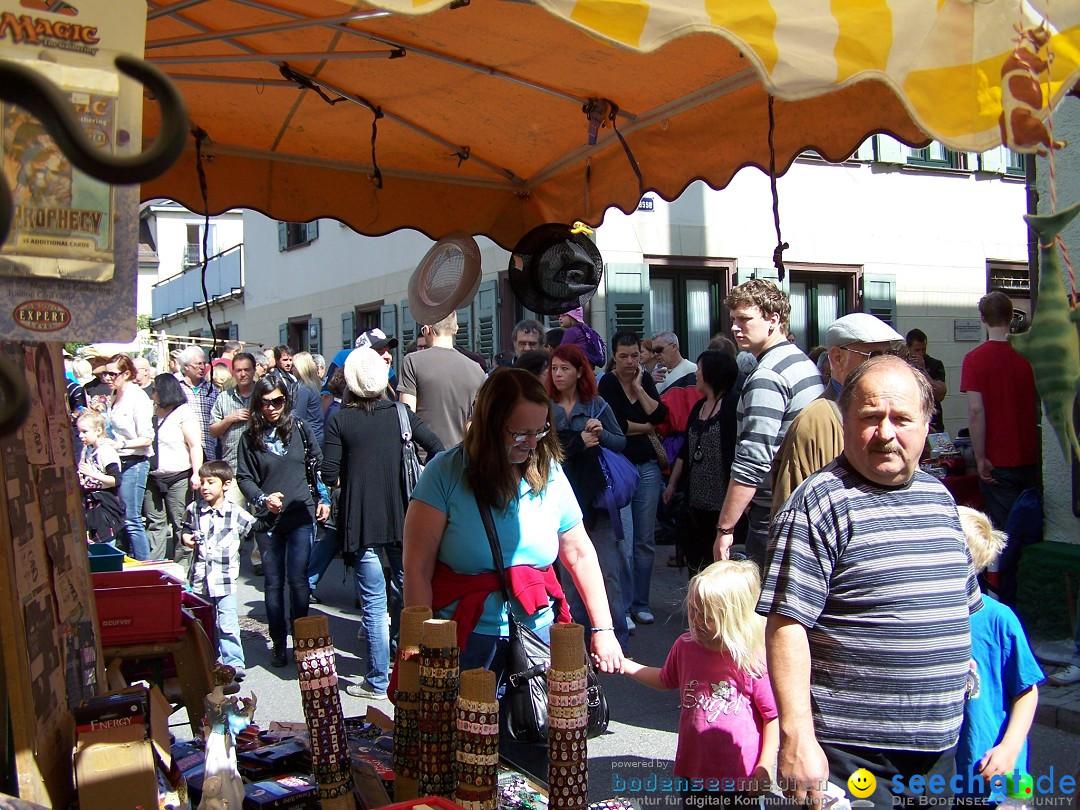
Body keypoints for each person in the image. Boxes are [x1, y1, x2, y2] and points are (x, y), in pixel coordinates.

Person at [758, 355, 982, 808]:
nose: (886, 433)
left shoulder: (940, 499)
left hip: (936, 749)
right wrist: (797, 736)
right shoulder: (819, 504)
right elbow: (786, 626)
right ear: (845, 420)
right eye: (870, 417)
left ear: (926, 424)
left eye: (901, 418)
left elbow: (961, 608)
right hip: (851, 753)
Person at [402, 367, 623, 713]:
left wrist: (604, 628)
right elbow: (417, 568)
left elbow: (579, 553)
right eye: (520, 433)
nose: (532, 443)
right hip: (463, 641)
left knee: (536, 750)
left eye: (540, 431)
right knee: (467, 753)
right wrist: (419, 645)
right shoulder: (444, 473)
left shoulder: (550, 471)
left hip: (537, 641)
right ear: (490, 424)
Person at [320, 348, 444, 699]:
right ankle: (415, 668)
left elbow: (329, 472)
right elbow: (436, 448)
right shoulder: (402, 413)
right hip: (405, 517)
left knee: (374, 604)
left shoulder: (341, 420)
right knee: (412, 597)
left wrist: (351, 476)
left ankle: (377, 680)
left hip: (362, 521)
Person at [621, 560, 778, 808]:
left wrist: (765, 766)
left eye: (707, 615)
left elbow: (772, 716)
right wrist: (627, 666)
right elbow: (666, 678)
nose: (696, 619)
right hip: (693, 771)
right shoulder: (685, 646)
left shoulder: (751, 659)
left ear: (734, 618)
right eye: (693, 609)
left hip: (741, 775)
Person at [713, 280, 822, 567]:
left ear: (773, 320)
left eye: (745, 319)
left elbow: (753, 460)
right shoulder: (800, 361)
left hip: (776, 510)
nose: (735, 327)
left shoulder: (768, 376)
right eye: (734, 319)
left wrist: (725, 529)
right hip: (802, 501)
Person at [237, 377, 331, 668]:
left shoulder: (300, 429)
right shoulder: (250, 437)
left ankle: (301, 640)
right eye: (265, 403)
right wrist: (263, 499)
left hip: (301, 512)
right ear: (257, 404)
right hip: (269, 521)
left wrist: (324, 499)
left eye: (277, 401)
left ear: (286, 401)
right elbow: (244, 478)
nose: (271, 408)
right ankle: (279, 643)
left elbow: (316, 464)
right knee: (274, 583)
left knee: (299, 581)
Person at [769, 313, 902, 517]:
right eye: (874, 355)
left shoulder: (893, 414)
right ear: (837, 358)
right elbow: (791, 513)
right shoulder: (815, 421)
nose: (883, 364)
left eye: (889, 354)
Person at [954, 506, 1043, 803]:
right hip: (946, 774)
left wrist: (1010, 748)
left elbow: (1026, 690)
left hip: (997, 771)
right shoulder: (921, 618)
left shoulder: (998, 619)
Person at [960, 291, 1039, 606]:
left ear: (983, 319)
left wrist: (980, 457)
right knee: (1030, 530)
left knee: (1001, 536)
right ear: (1011, 317)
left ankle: (1004, 600)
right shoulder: (1029, 356)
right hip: (1031, 456)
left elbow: (976, 411)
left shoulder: (975, 359)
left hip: (998, 458)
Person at [548, 344, 630, 645]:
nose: (557, 374)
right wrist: (579, 442)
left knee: (608, 573)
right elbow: (542, 451)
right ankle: (579, 642)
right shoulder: (545, 406)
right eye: (554, 368)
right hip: (562, 500)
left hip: (598, 500)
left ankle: (615, 639)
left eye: (564, 368)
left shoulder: (597, 404)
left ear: (580, 371)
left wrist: (601, 434)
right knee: (569, 578)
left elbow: (621, 443)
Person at [598, 331, 669, 625]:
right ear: (614, 356)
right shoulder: (608, 383)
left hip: (648, 466)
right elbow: (615, 425)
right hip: (619, 466)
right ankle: (624, 606)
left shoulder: (645, 379)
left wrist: (640, 389)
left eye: (635, 355)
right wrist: (646, 427)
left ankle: (641, 602)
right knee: (623, 539)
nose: (630, 362)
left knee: (645, 539)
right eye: (624, 356)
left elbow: (661, 415)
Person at [662, 350, 740, 576]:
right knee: (696, 564)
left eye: (699, 368)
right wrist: (672, 485)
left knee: (719, 567)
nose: (695, 373)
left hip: (722, 501)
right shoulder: (699, 407)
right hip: (695, 501)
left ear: (713, 373)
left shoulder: (733, 405)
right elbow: (685, 451)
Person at [183, 460, 256, 678]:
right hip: (200, 579)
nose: (205, 487)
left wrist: (271, 513)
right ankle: (207, 661)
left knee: (227, 622)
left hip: (225, 578)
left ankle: (234, 663)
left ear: (225, 485)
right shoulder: (194, 510)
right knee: (203, 624)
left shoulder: (235, 513)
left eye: (210, 482)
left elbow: (256, 526)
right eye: (203, 482)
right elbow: (185, 529)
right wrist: (186, 538)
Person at [398, 312, 487, 450]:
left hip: (423, 455)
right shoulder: (477, 370)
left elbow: (407, 416)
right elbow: (477, 422)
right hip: (459, 455)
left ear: (427, 329)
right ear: (456, 329)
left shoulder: (412, 361)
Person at [145, 373, 203, 565]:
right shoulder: (151, 412)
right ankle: (156, 567)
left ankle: (182, 569)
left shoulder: (184, 413)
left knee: (180, 523)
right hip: (152, 477)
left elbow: (195, 445)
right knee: (155, 523)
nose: (152, 394)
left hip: (178, 477)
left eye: (154, 390)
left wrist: (196, 473)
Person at [103, 354, 155, 560]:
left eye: (112, 374)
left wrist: (121, 444)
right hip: (117, 460)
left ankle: (145, 565)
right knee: (120, 517)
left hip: (134, 461)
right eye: (105, 373)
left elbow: (147, 438)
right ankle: (127, 561)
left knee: (132, 518)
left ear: (126, 374)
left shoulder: (137, 397)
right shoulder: (115, 394)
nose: (107, 378)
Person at [76, 411, 126, 545]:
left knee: (106, 546)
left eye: (85, 431)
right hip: (93, 505)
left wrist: (92, 474)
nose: (81, 436)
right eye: (79, 431)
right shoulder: (91, 451)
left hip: (106, 505)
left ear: (98, 430)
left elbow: (116, 480)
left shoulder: (106, 451)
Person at [177, 345, 220, 464]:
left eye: (204, 363)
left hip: (208, 449)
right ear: (186, 366)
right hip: (183, 453)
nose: (202, 367)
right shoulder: (176, 388)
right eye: (198, 364)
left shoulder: (212, 390)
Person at [906, 328, 947, 433]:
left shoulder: (935, 364)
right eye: (917, 350)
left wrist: (923, 371)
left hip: (934, 421)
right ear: (908, 348)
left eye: (923, 349)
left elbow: (940, 395)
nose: (921, 354)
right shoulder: (902, 365)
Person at [291, 351, 325, 447]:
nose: (292, 368)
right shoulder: (314, 384)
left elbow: (298, 414)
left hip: (310, 436)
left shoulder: (305, 388)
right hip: (317, 433)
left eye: (294, 365)